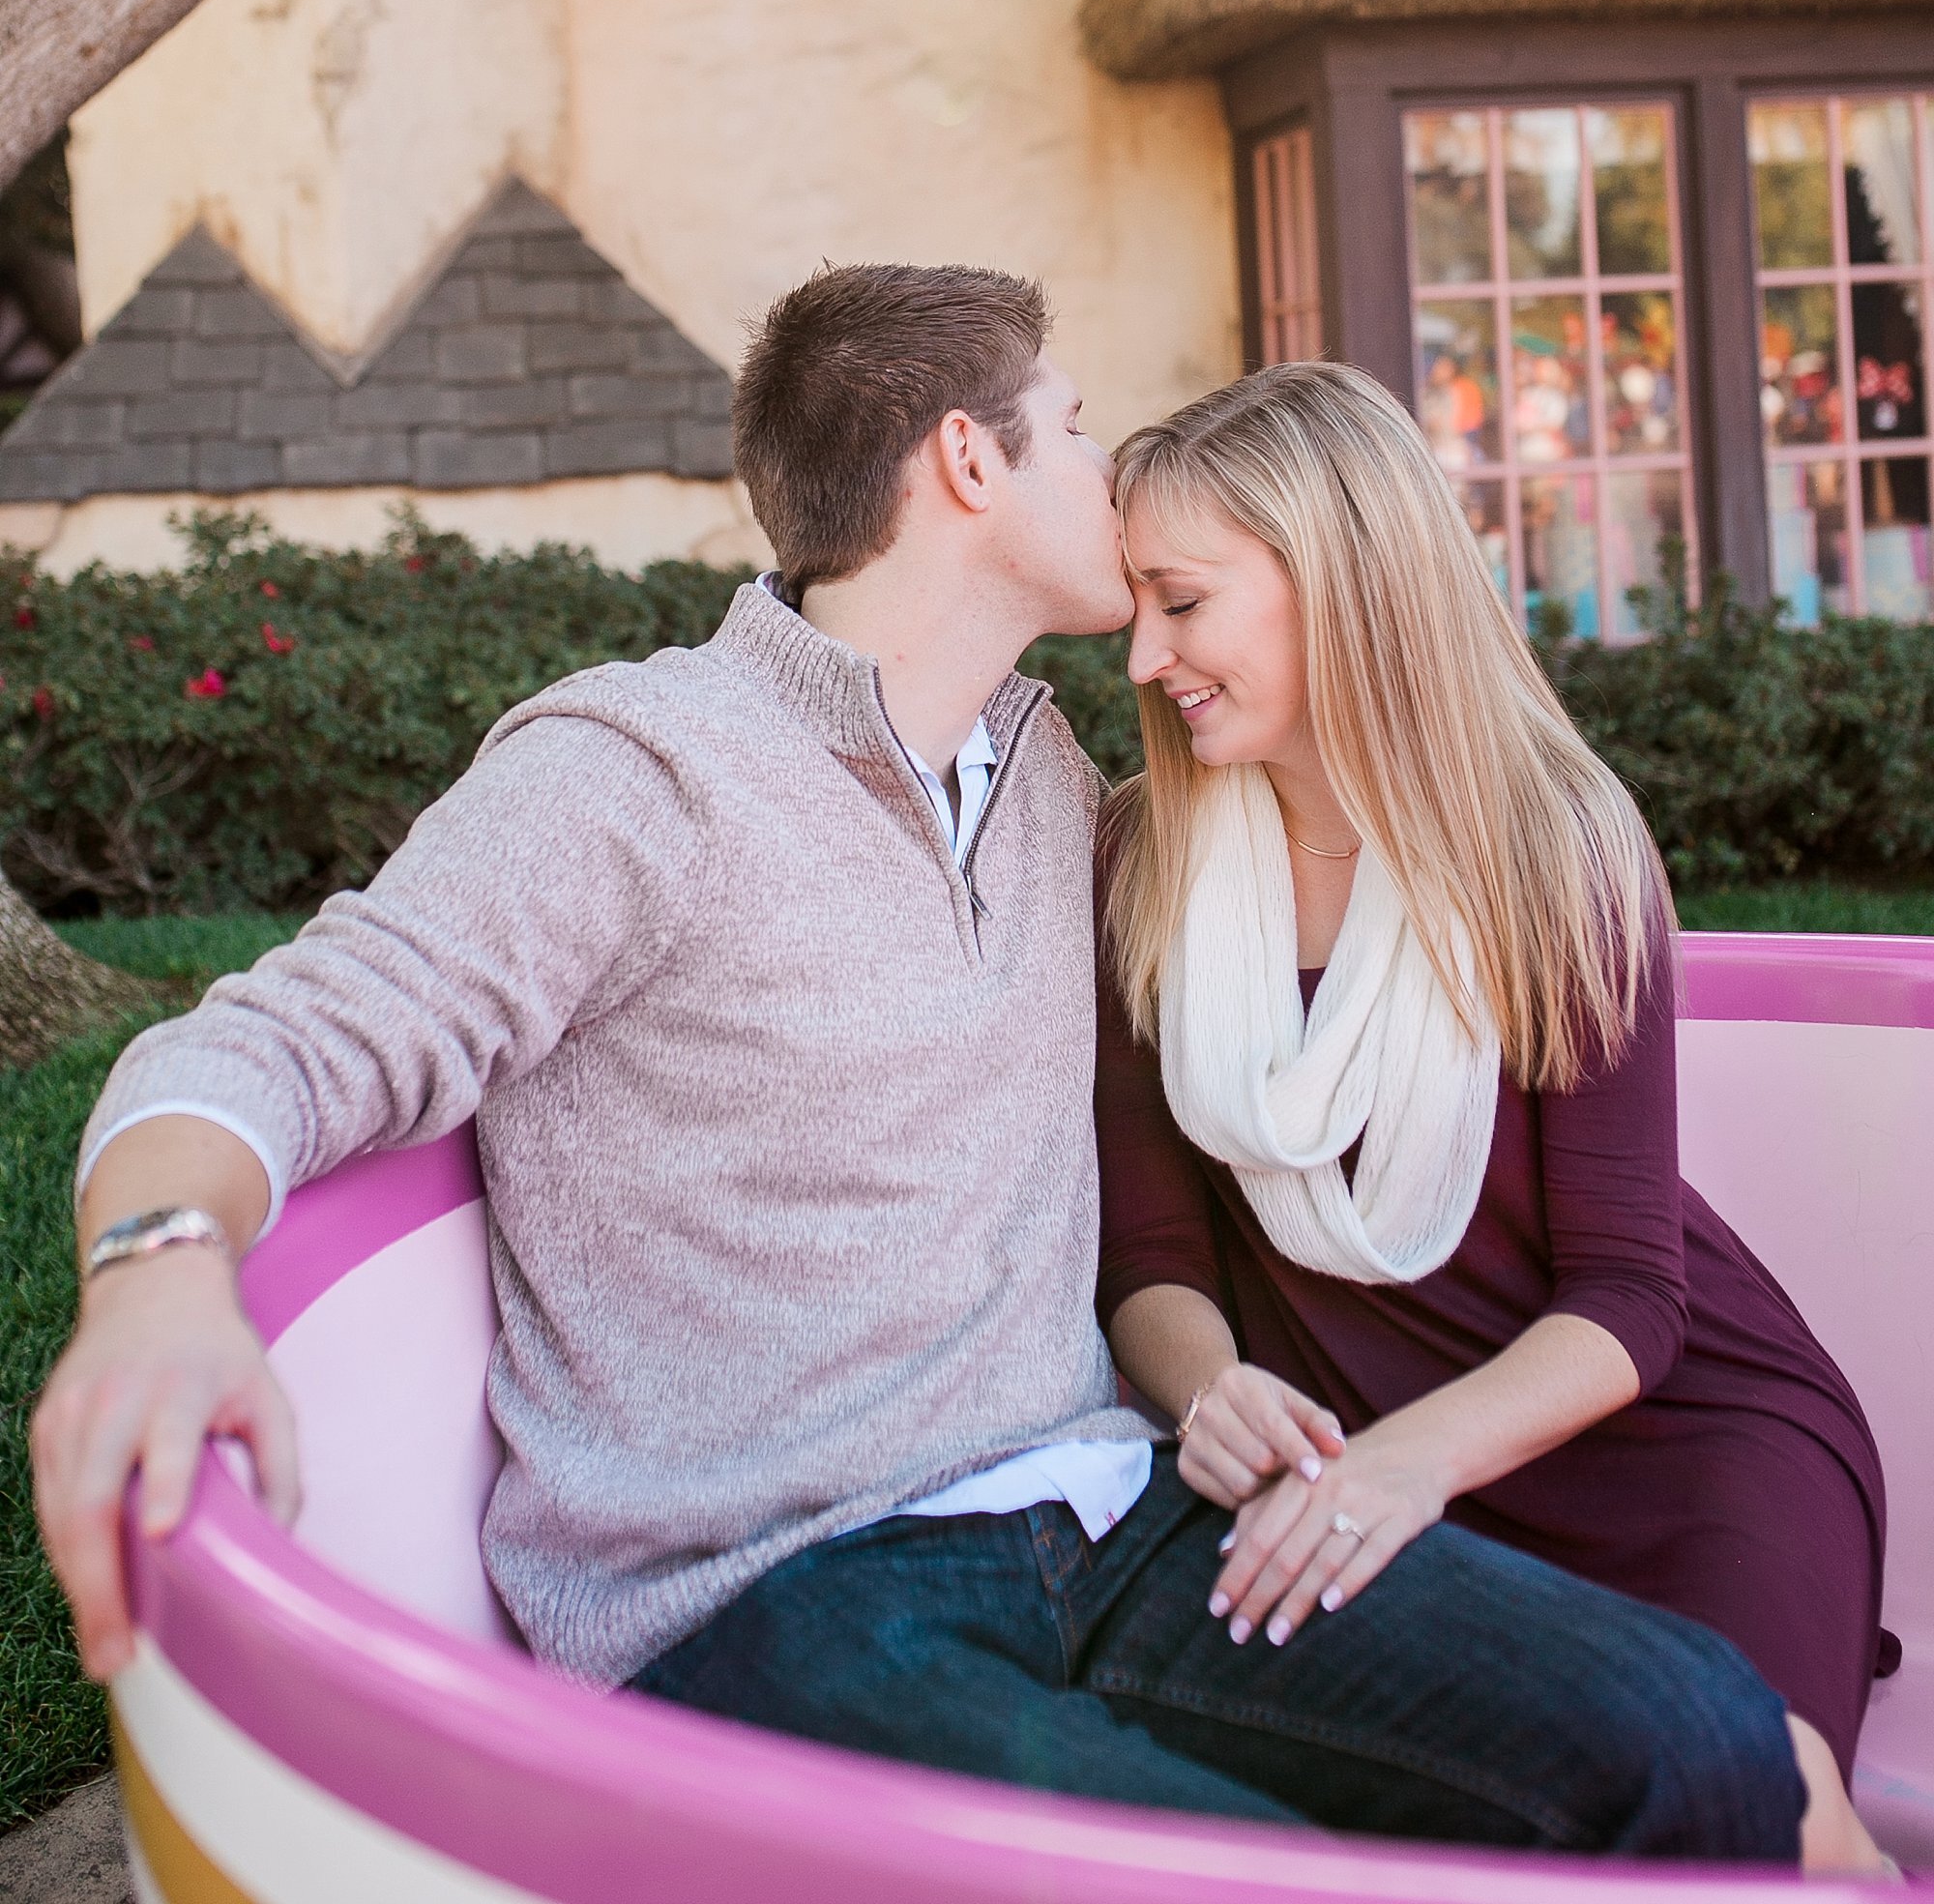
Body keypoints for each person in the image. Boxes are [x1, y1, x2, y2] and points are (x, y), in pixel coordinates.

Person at [36, 269, 1804, 1857]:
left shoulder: (1076, 809)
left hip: (1116, 1512)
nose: (1116, 478)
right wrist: (157, 1273)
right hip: (775, 1591)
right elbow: (277, 1039)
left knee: (1700, 1741)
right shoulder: (634, 776)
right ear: (971, 459)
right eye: (1086, 430)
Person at [1095, 358, 1891, 1876]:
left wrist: (1405, 1468)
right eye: (1137, 602)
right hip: (1357, 1468)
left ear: (1339, 579)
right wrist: (1213, 1401)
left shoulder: (1555, 845)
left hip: (1669, 1443)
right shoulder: (1148, 855)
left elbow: (1632, 1299)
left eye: (1182, 602)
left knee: (1768, 1799)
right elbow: (1150, 1253)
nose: (1145, 654)